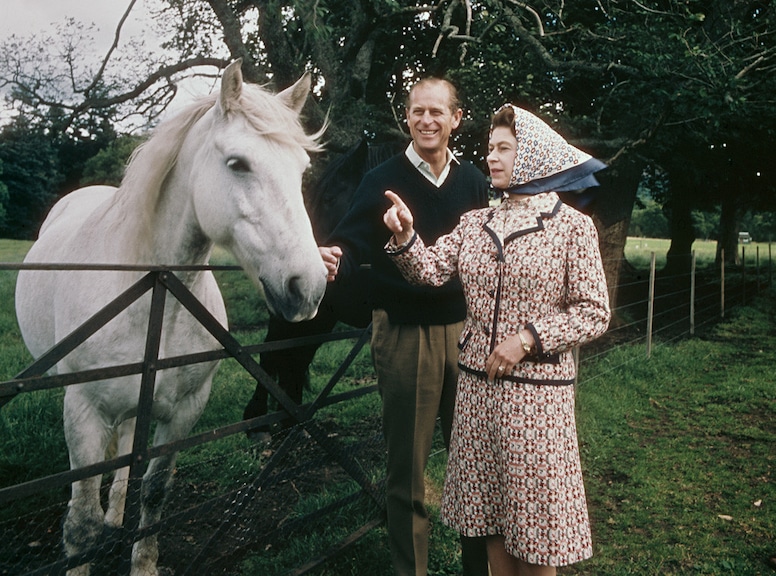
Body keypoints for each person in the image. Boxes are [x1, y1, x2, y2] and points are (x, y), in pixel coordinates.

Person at [382, 103, 611, 576]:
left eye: (505, 148)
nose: (492, 157)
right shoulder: (473, 223)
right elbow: (428, 271)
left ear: (533, 155)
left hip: (537, 403)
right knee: (490, 526)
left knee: (536, 535)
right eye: (490, 148)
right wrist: (406, 236)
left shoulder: (572, 227)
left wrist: (526, 338)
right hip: (477, 396)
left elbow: (594, 312)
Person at [319, 78, 490, 576]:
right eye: (417, 112)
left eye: (437, 112)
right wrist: (335, 258)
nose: (426, 121)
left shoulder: (475, 181)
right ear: (408, 118)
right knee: (407, 472)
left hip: (466, 334)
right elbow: (351, 244)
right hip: (405, 335)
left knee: (472, 466)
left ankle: (475, 568)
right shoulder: (382, 179)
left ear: (456, 118)